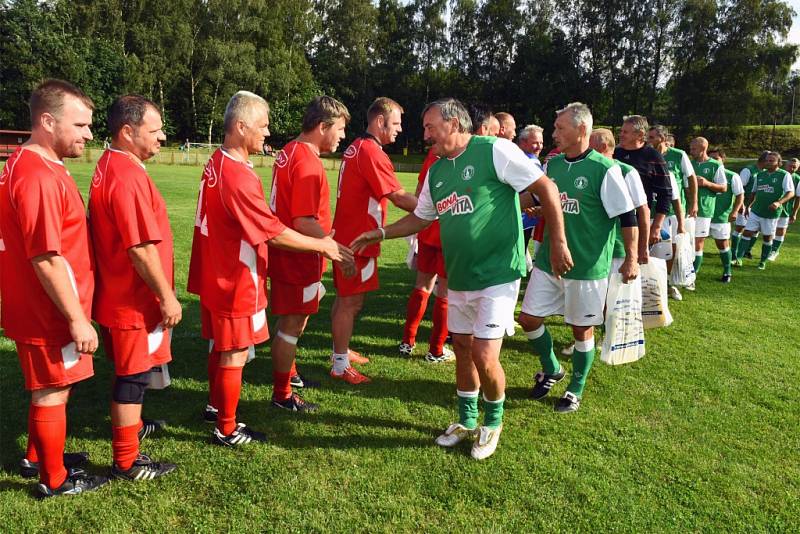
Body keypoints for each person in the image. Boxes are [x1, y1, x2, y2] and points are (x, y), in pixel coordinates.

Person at [351, 97, 571, 460]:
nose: (424, 135)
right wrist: (381, 233)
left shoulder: (495, 150)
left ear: (453, 124)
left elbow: (545, 188)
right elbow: (422, 218)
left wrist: (558, 241)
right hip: (461, 274)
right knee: (465, 350)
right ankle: (467, 420)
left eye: (429, 126)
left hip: (499, 272)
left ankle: (493, 423)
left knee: (485, 354)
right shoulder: (437, 170)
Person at [188, 91, 349, 445]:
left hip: (217, 266)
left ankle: (217, 408)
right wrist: (323, 244)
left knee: (222, 345)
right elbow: (271, 231)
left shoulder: (217, 160)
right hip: (235, 273)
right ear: (241, 126)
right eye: (262, 125)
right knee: (233, 351)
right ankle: (227, 428)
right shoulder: (238, 174)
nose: (268, 132)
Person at [0, 79, 109, 496]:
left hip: (43, 304)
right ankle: (54, 479)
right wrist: (78, 318)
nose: (88, 134)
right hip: (48, 309)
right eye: (80, 124)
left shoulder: (33, 164)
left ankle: (40, 457)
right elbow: (45, 256)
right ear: (48, 121)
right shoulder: (37, 175)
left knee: (49, 388)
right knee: (52, 391)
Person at [520, 103, 637, 414]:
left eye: (560, 128)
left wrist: (632, 258)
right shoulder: (554, 165)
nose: (554, 133)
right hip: (548, 262)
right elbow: (539, 197)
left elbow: (627, 217)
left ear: (581, 130)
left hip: (586, 266)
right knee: (528, 319)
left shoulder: (604, 169)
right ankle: (553, 368)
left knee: (580, 329)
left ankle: (575, 388)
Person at [88, 95, 179, 481]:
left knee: (132, 372)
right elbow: (140, 248)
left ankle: (134, 426)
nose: (162, 137)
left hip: (120, 294)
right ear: (127, 132)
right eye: (155, 130)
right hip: (131, 300)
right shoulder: (126, 175)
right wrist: (166, 296)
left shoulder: (113, 163)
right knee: (133, 376)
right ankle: (127, 460)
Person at [267, 95, 352, 412]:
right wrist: (331, 245)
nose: (342, 136)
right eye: (340, 129)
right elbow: (303, 220)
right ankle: (282, 394)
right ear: (322, 126)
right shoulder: (308, 161)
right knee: (292, 326)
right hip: (298, 255)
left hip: (288, 251)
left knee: (292, 323)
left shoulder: (289, 150)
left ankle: (289, 377)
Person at [329, 97, 417, 383]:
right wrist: (439, 209)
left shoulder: (357, 146)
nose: (399, 130)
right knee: (349, 303)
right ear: (380, 121)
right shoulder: (371, 152)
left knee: (347, 301)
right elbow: (399, 197)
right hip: (358, 240)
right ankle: (340, 364)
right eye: (396, 123)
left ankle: (339, 352)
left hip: (352, 236)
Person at [398, 147, 454, 363]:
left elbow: (419, 192)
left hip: (427, 229)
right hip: (448, 232)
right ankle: (436, 349)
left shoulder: (432, 154)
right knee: (445, 292)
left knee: (422, 286)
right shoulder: (462, 155)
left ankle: (407, 341)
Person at [614, 115, 671, 260]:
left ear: (640, 134)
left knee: (635, 262)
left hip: (639, 221)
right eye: (621, 131)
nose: (621, 135)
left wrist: (656, 227)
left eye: (625, 132)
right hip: (612, 220)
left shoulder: (653, 156)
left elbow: (665, 194)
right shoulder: (615, 153)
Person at [647, 125, 692, 300]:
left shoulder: (678, 156)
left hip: (668, 212)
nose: (648, 141)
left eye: (652, 137)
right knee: (646, 250)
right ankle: (648, 284)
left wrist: (685, 217)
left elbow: (687, 184)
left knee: (668, 250)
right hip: (645, 213)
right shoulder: (644, 156)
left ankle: (667, 283)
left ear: (662, 138)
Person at [733, 151, 795, 270]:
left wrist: (778, 202)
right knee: (747, 233)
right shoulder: (760, 175)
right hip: (756, 211)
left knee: (767, 237)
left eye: (771, 161)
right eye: (767, 160)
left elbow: (791, 192)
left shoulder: (784, 175)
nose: (768, 162)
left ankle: (762, 261)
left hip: (771, 214)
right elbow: (754, 192)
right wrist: (748, 206)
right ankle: (738, 258)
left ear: (779, 163)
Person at [688, 137, 727, 277]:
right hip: (686, 208)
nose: (691, 151)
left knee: (698, 241)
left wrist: (707, 183)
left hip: (704, 209)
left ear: (703, 148)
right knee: (687, 242)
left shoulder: (715, 165)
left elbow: (723, 188)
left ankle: (693, 275)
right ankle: (685, 271)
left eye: (694, 149)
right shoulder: (689, 163)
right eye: (690, 148)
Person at [706, 147, 744, 282]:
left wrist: (734, 211)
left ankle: (727, 271)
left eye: (716, 158)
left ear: (723, 160)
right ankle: (691, 272)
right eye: (711, 158)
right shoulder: (704, 172)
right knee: (695, 244)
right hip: (702, 215)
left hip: (721, 216)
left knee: (722, 244)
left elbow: (740, 195)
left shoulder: (732, 176)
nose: (714, 161)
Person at [732, 151, 768, 257]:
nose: (771, 163)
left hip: (757, 207)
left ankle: (746, 251)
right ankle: (734, 252)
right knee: (740, 227)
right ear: (763, 160)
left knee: (756, 229)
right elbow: (739, 188)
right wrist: (741, 204)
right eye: (769, 160)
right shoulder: (748, 170)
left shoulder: (766, 172)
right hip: (745, 204)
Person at [769, 157, 800, 261]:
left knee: (781, 230)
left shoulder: (798, 180)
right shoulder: (777, 174)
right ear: (785, 165)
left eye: (794, 167)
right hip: (771, 207)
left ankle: (774, 251)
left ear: (798, 167)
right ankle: (767, 249)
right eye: (790, 166)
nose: (792, 168)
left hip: (785, 209)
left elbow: (798, 199)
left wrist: (794, 213)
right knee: (770, 229)